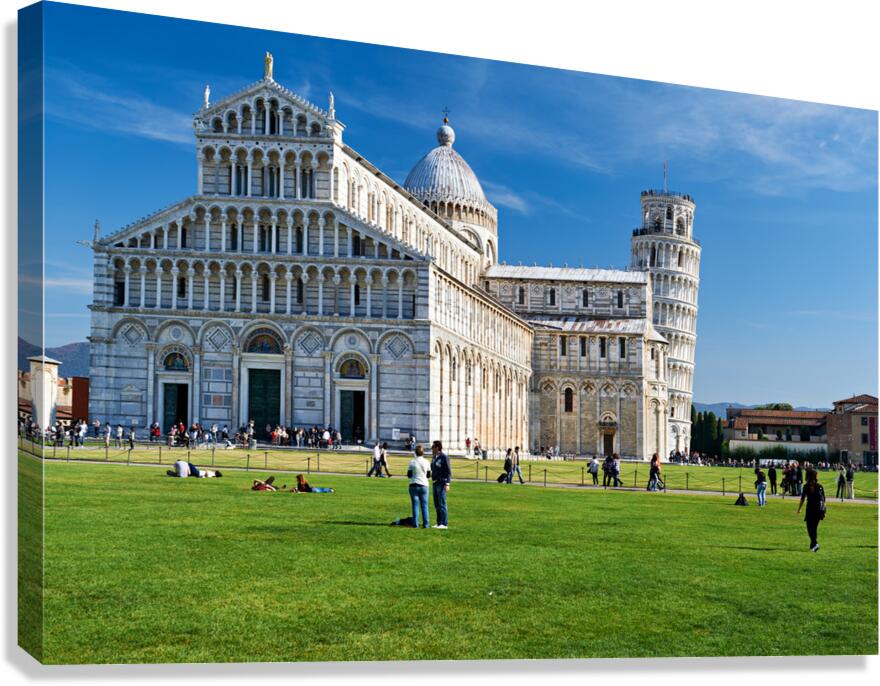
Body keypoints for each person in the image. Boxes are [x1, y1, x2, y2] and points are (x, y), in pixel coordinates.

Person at [797, 469, 826, 552]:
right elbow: (824, 499)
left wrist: (799, 509)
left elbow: (802, 499)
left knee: (810, 528)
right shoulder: (820, 486)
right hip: (819, 510)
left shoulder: (806, 486)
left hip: (810, 509)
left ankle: (815, 543)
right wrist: (824, 510)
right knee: (814, 528)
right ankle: (812, 546)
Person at [407, 444, 431, 528]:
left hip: (414, 484)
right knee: (424, 505)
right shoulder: (427, 462)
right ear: (423, 453)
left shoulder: (412, 461)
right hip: (424, 485)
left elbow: (409, 475)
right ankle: (426, 524)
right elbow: (428, 475)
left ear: (415, 452)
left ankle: (415, 524)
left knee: (415, 505)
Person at [430, 440, 451, 529]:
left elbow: (448, 471)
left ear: (437, 448)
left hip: (442, 482)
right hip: (435, 482)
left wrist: (447, 483)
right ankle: (439, 522)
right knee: (437, 504)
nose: (432, 449)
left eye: (433, 447)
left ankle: (444, 523)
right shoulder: (434, 457)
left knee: (442, 503)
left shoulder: (444, 457)